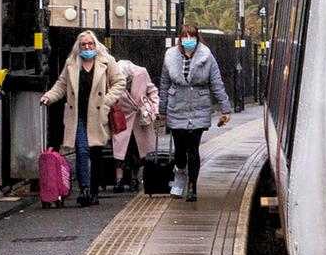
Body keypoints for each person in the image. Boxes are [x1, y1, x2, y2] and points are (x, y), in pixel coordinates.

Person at [39, 30, 118, 207]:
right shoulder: (72, 63)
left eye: (90, 44)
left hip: (98, 114)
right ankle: (84, 189)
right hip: (79, 115)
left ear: (95, 45)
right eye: (84, 45)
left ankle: (95, 191)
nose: (87, 47)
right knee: (82, 150)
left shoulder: (107, 62)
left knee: (96, 154)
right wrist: (49, 97)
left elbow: (119, 82)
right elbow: (61, 85)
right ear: (79, 47)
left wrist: (107, 101)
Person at [158, 21, 234, 204]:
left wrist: (225, 108)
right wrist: (162, 109)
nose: (188, 40)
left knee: (193, 148)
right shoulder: (170, 57)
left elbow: (216, 83)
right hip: (177, 106)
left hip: (199, 107)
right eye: (185, 36)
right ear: (180, 39)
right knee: (180, 150)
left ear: (197, 38)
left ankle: (192, 186)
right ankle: (180, 173)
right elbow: (164, 83)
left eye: (191, 36)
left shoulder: (207, 57)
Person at [108, 58, 160, 192]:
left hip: (139, 118)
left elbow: (152, 91)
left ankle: (134, 180)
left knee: (137, 150)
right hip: (121, 118)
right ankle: (118, 180)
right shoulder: (113, 75)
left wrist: (155, 109)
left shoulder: (141, 72)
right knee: (119, 151)